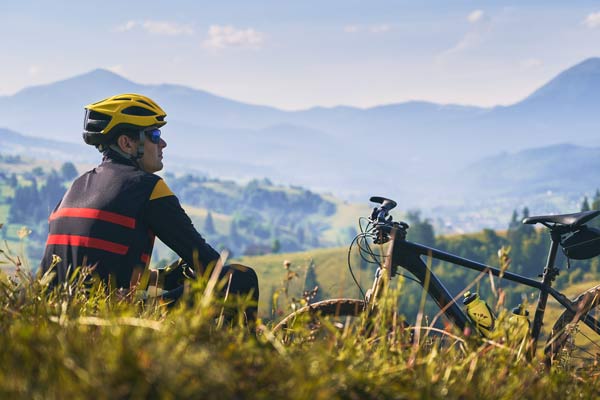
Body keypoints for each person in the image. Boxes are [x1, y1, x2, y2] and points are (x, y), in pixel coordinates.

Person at [40, 93, 259, 323]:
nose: (163, 143)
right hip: (112, 322)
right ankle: (243, 358)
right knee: (239, 279)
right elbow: (210, 266)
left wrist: (162, 278)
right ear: (127, 143)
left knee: (180, 278)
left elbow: (93, 269)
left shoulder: (76, 187)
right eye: (154, 135)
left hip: (57, 321)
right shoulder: (146, 187)